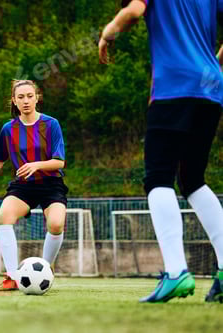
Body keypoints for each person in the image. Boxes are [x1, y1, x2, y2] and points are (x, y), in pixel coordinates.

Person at [99, 0, 223, 303]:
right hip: (211, 88)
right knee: (193, 179)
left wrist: (108, 33)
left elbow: (134, 11)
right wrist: (213, 65)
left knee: (158, 177)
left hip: (173, 87)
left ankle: (176, 271)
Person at [0, 79, 68, 291]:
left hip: (51, 183)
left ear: (37, 98)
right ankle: (12, 277)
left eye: (29, 96)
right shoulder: (8, 129)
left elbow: (59, 161)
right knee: (4, 215)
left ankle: (46, 268)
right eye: (20, 97)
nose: (26, 101)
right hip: (23, 186)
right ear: (14, 101)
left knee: (55, 224)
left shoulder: (51, 124)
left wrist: (36, 165)